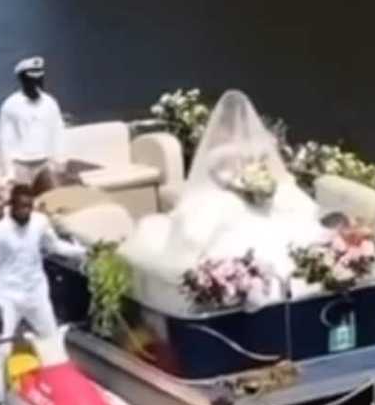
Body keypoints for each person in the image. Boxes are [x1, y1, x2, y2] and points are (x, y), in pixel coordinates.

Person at [119, 90, 332, 303]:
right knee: (221, 229)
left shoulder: (237, 148)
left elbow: (273, 175)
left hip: (251, 195)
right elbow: (224, 179)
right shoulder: (230, 150)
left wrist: (258, 186)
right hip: (233, 197)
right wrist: (246, 185)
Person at [0, 184, 87, 405]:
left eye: (29, 207)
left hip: (36, 294)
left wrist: (83, 251)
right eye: (21, 206)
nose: (25, 211)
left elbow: (55, 247)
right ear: (11, 205)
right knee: (2, 348)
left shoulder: (40, 223)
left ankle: (64, 392)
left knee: (53, 342)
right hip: (8, 298)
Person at [0, 56, 66, 191]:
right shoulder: (10, 105)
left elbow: (58, 132)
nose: (36, 84)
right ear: (22, 80)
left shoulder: (50, 103)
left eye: (39, 80)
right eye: (31, 80)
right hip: (20, 165)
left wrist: (59, 161)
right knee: (23, 204)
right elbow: (4, 140)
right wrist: (7, 172)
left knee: (51, 202)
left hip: (45, 162)